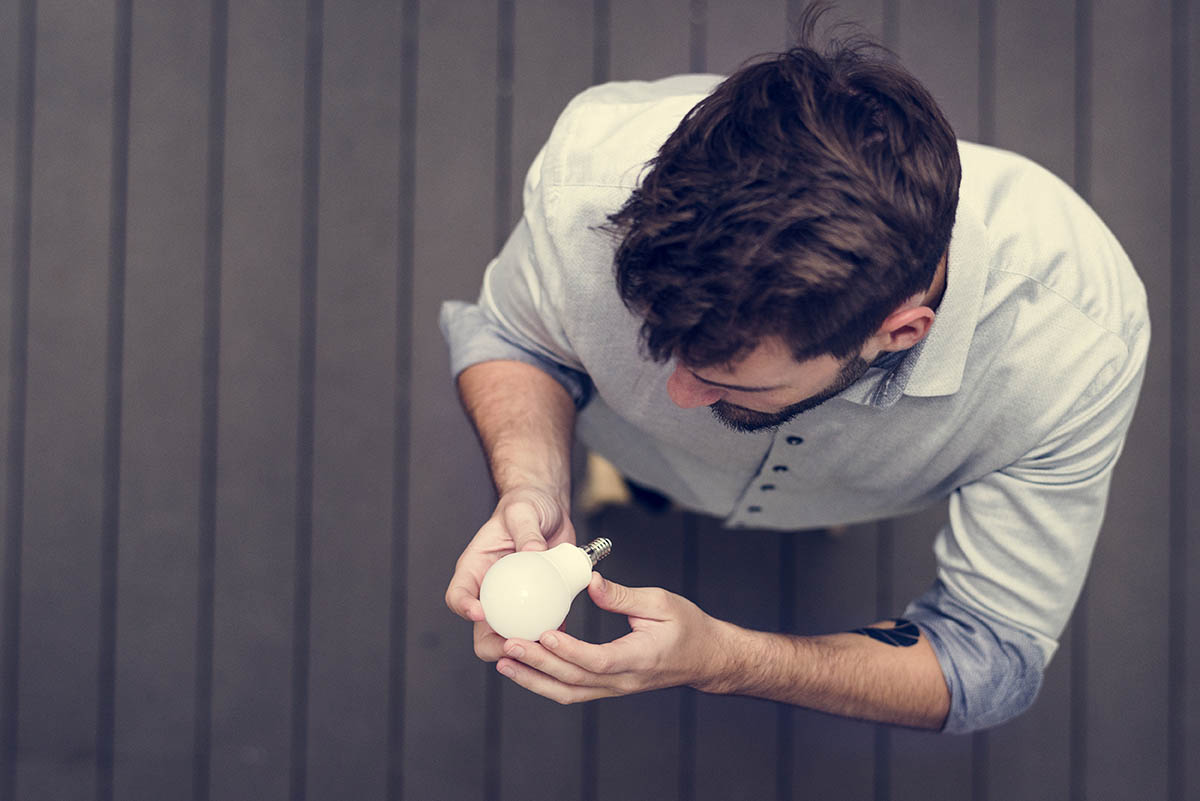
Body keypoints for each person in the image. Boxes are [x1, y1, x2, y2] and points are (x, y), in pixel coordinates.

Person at [439, 6, 1148, 734]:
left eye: (734, 382)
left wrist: (726, 659)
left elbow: (988, 654)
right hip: (642, 458)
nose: (677, 395)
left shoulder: (1077, 354)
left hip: (837, 489)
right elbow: (514, 336)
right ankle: (636, 479)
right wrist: (532, 479)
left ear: (898, 332)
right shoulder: (585, 186)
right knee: (642, 465)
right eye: (657, 343)